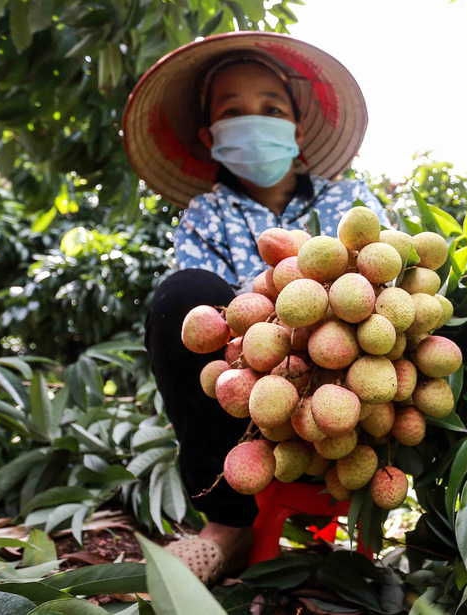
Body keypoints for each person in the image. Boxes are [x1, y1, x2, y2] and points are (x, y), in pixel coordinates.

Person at [122, 32, 390, 584]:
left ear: (295, 130)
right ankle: (227, 525)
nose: (254, 119)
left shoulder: (349, 201)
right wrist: (274, 307)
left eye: (270, 108)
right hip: (250, 378)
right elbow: (206, 327)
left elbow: (387, 282)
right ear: (209, 136)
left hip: (352, 375)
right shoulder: (206, 213)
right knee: (181, 296)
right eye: (233, 111)